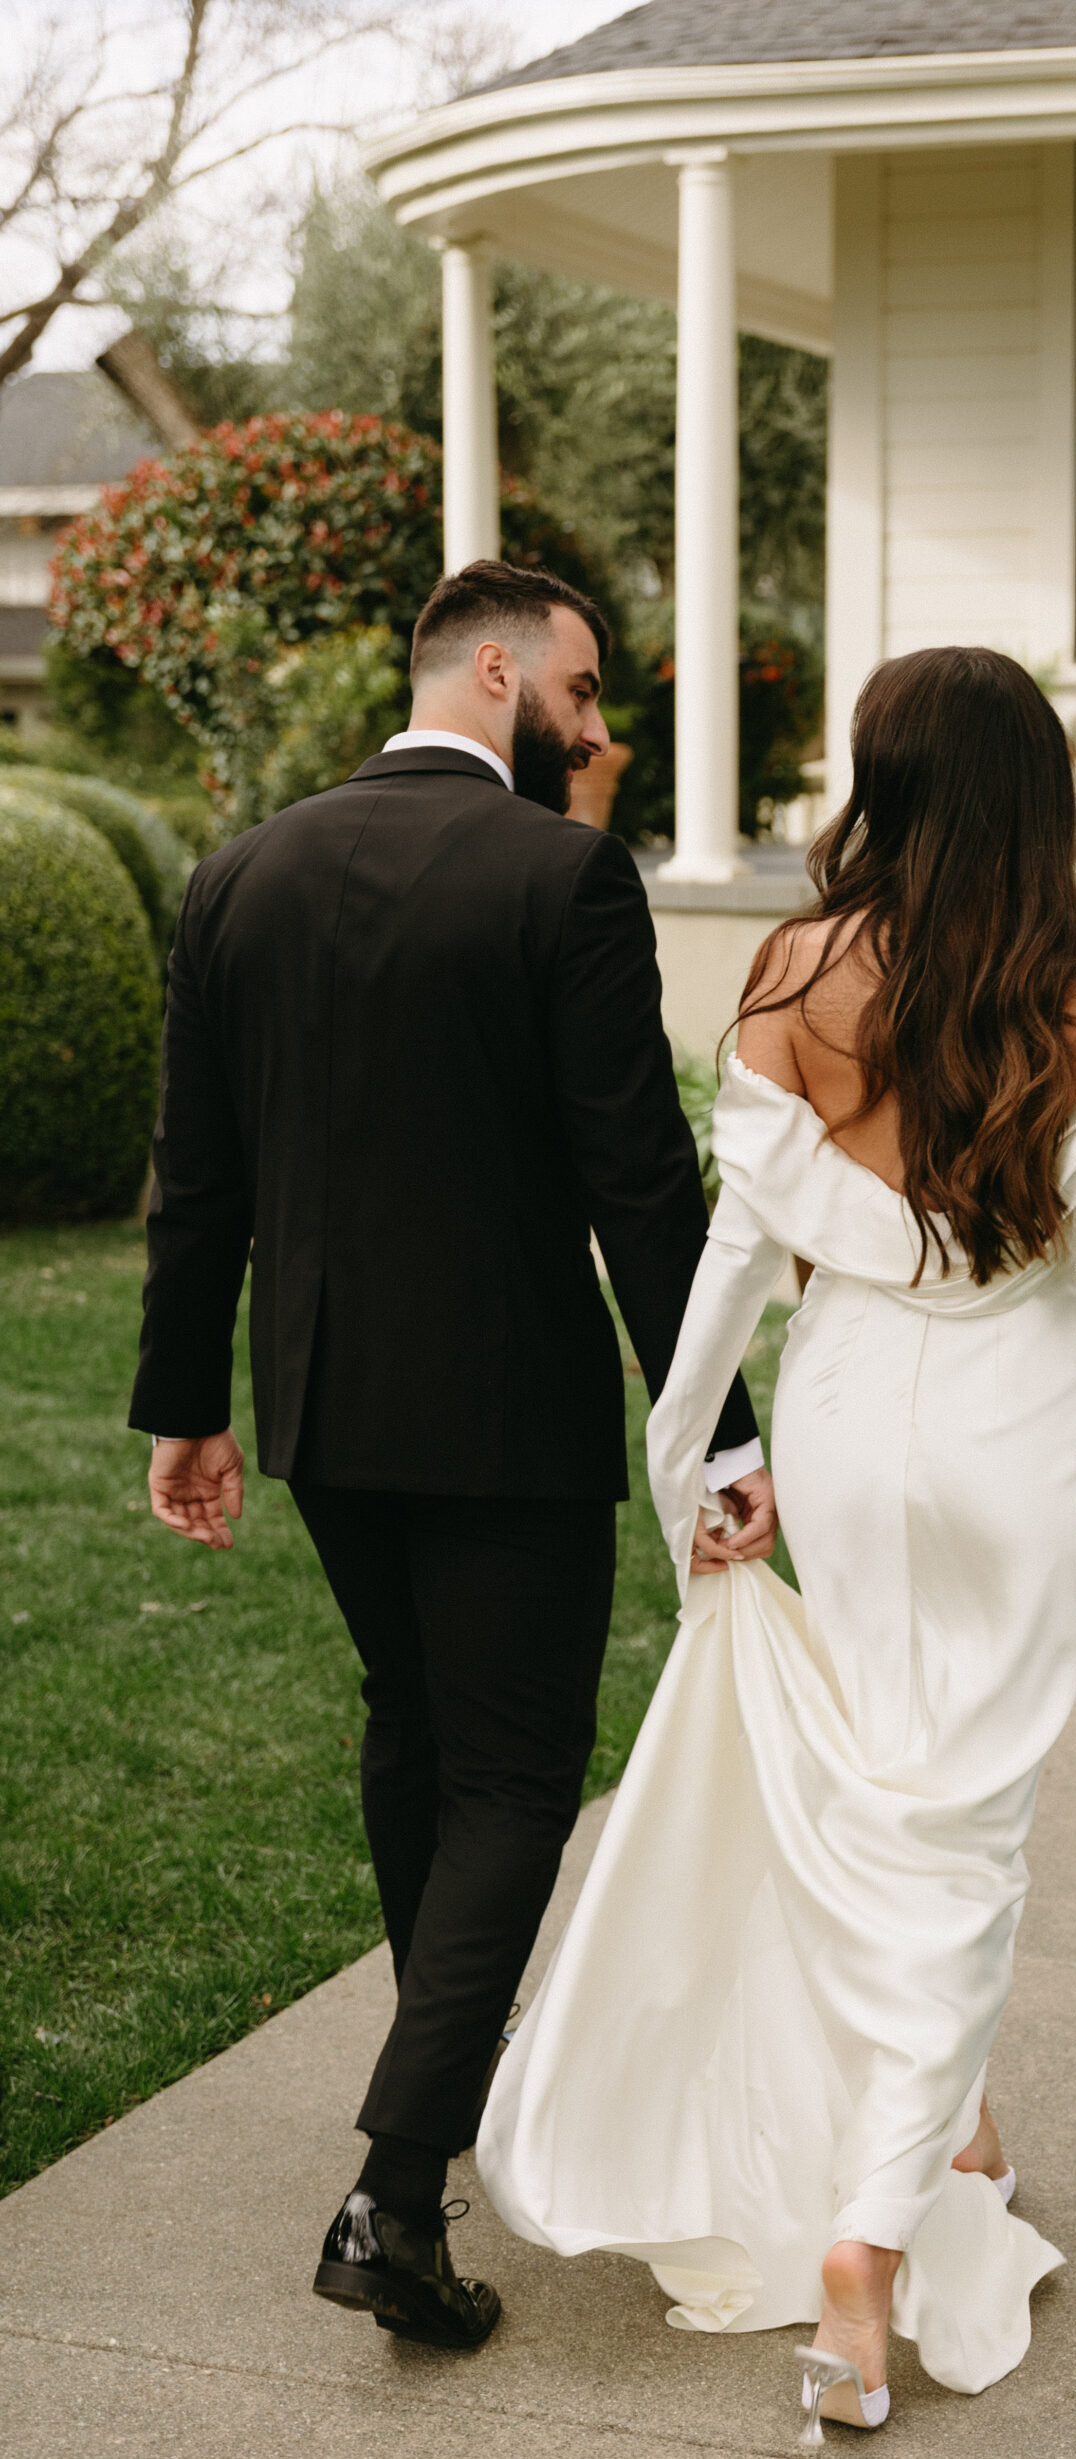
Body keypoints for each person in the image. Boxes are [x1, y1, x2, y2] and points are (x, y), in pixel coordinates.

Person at [478, 645, 1076, 2429]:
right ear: (1039, 788)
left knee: (891, 1794)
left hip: (845, 1408)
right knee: (966, 1832)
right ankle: (870, 2252)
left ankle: (954, 2140)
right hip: (1015, 1424)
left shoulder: (795, 965)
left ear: (879, 777)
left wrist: (695, 1473)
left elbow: (738, 1255)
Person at [129, 558, 776, 2351]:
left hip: (326, 1404)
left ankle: (448, 2072)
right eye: (578, 691)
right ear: (494, 670)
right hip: (504, 1416)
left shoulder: (236, 876)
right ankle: (393, 2199)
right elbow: (637, 1184)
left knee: (415, 1732)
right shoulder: (564, 880)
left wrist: (192, 1407)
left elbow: (200, 1180)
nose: (595, 727)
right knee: (508, 1777)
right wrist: (721, 1433)